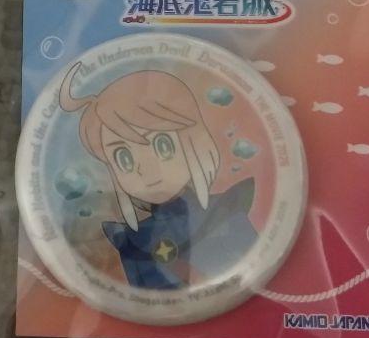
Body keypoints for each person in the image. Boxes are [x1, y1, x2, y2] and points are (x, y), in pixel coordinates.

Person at [59, 63, 256, 289]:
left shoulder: (226, 212)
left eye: (163, 145)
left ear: (192, 141)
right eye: (124, 158)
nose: (148, 168)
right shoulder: (131, 240)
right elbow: (140, 297)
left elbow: (251, 269)